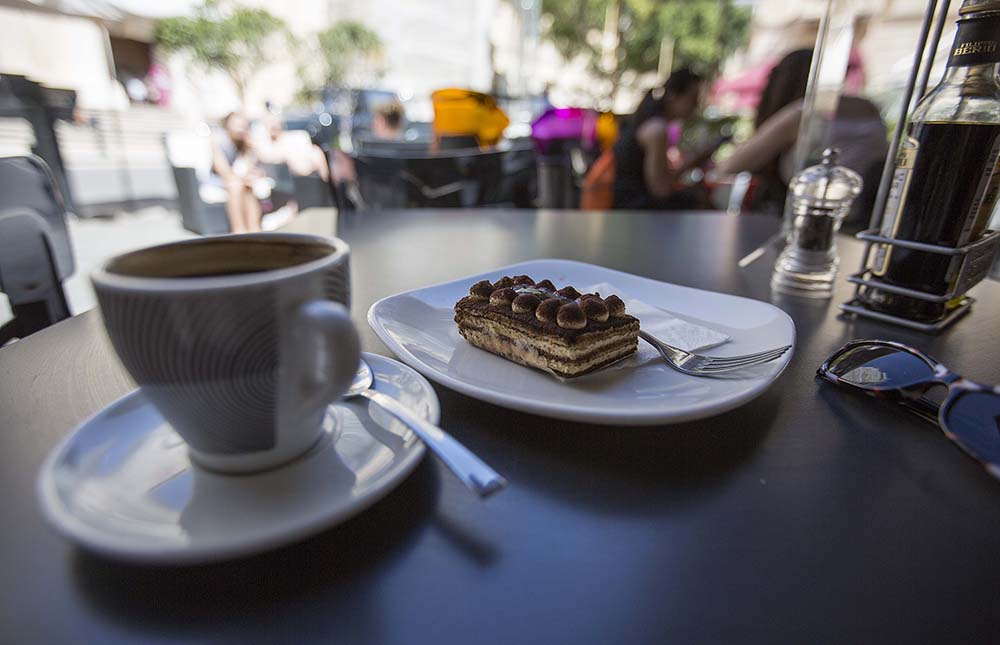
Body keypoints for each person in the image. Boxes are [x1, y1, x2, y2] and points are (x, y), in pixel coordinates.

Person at [717, 49, 888, 224]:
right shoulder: (870, 109)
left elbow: (732, 165)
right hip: (868, 221)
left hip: (818, 226)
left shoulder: (804, 113)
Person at [612, 69, 706, 210]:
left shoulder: (648, 122)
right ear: (673, 96)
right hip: (634, 212)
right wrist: (691, 163)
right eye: (692, 100)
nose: (695, 107)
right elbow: (660, 190)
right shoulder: (656, 130)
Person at [210, 112, 269, 233]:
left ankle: (254, 229)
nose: (240, 128)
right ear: (227, 125)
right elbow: (222, 170)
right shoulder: (219, 141)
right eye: (236, 124)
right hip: (218, 180)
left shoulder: (244, 143)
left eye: (243, 125)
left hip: (238, 179)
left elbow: (248, 169)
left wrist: (249, 151)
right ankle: (238, 230)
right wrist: (242, 178)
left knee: (247, 186)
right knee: (235, 185)